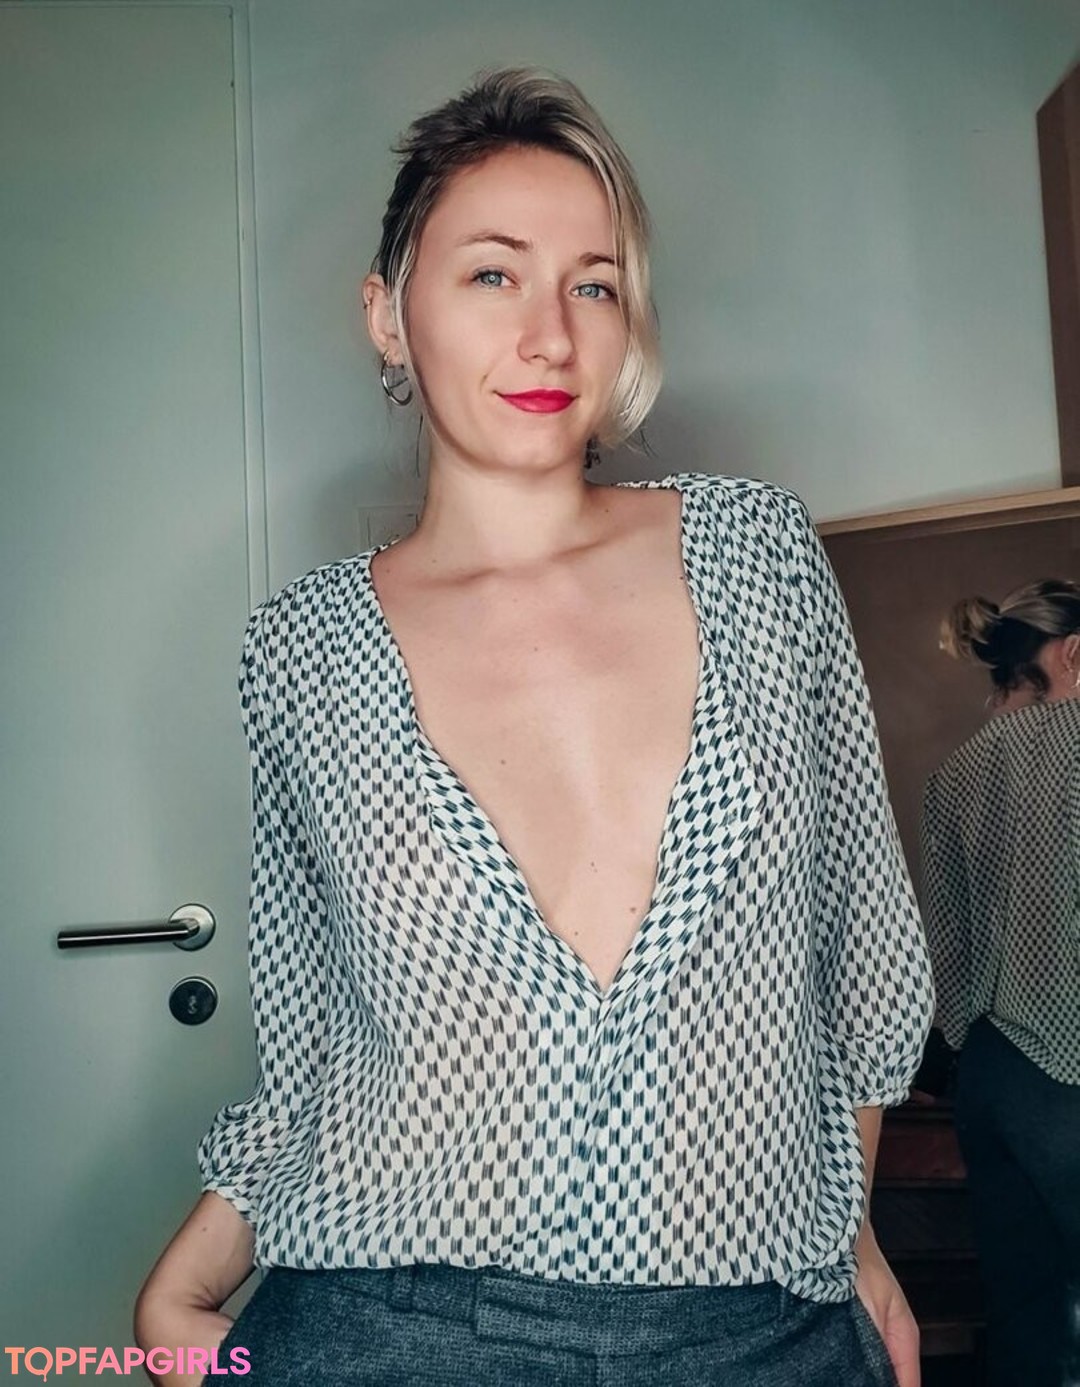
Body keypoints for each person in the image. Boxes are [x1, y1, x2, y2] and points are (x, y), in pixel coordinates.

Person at [134, 68, 933, 1387]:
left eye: (595, 285)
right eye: (493, 274)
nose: (551, 334)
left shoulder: (759, 556)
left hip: (761, 1330)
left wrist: (852, 1245)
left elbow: (862, 958)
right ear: (389, 316)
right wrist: (180, 1287)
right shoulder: (301, 651)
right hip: (398, 1321)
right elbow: (314, 1043)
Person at [921, 580, 1080, 1387]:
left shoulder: (953, 775)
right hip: (1070, 1069)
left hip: (989, 1074)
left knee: (1023, 1317)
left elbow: (944, 949)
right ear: (1074, 652)